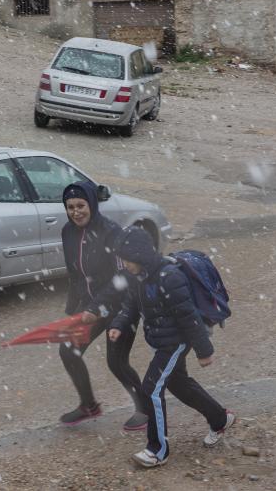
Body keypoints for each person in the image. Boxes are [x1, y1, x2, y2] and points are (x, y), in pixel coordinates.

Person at [108, 226, 235, 468]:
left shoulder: (169, 276)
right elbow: (131, 305)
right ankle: (220, 419)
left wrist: (204, 350)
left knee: (151, 389)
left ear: (141, 254)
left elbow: (188, 316)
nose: (124, 265)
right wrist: (118, 324)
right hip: (162, 341)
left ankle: (157, 450)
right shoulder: (140, 277)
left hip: (176, 342)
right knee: (178, 383)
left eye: (127, 259)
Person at [58, 180, 148, 431]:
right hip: (90, 307)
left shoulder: (111, 232)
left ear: (92, 204)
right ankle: (89, 406)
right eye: (70, 207)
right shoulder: (68, 232)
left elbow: (123, 278)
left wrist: (96, 307)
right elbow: (74, 274)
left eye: (81, 205)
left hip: (122, 306)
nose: (76, 212)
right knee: (68, 350)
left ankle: (145, 409)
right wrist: (74, 308)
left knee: (116, 362)